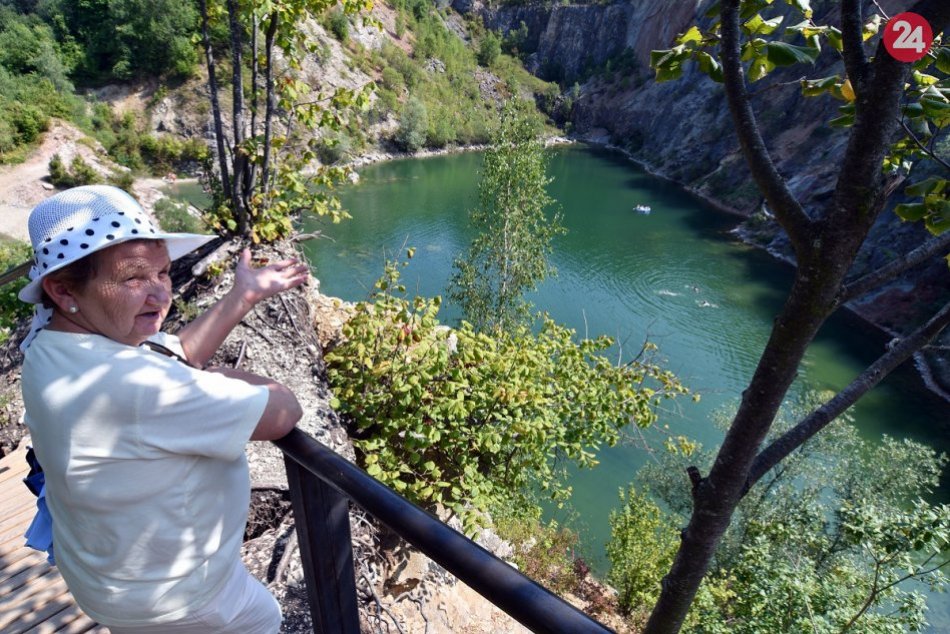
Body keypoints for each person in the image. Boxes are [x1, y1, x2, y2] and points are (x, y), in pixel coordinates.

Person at [18, 185, 309, 633]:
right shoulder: (132, 385)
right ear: (62, 290)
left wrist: (243, 296)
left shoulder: (52, 347)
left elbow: (172, 355)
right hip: (185, 602)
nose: (159, 295)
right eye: (134, 279)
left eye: (163, 273)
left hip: (113, 581)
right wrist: (215, 378)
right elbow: (283, 410)